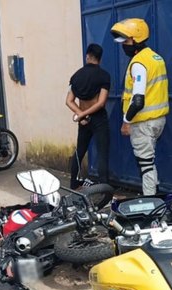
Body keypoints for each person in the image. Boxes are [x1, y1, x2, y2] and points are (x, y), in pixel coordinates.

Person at [111, 18, 170, 196]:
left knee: (145, 165)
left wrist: (126, 121)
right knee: (148, 162)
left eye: (127, 41)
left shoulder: (138, 63)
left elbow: (137, 101)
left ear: (136, 39)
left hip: (143, 122)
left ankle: (150, 203)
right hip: (158, 120)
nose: (124, 45)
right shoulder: (155, 58)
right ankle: (154, 195)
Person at [66, 43, 111, 189]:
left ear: (87, 57)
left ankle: (73, 183)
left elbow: (68, 101)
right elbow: (101, 102)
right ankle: (104, 189)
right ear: (100, 59)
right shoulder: (104, 76)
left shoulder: (76, 76)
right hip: (98, 119)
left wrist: (81, 115)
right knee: (102, 153)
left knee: (80, 151)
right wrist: (86, 114)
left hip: (83, 121)